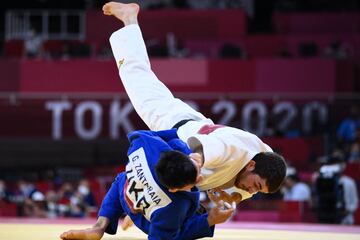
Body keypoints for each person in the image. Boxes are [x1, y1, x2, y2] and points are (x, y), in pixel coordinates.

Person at [106, 1, 286, 204]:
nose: (253, 190)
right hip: (171, 121)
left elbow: (254, 177)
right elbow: (205, 149)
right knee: (137, 77)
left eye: (258, 190)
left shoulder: (263, 160)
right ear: (251, 165)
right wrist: (197, 161)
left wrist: (230, 197)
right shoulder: (233, 148)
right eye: (257, 186)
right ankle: (130, 20)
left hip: (190, 125)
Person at [60, 129, 235, 240]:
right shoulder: (175, 206)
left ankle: (99, 227)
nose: (201, 178)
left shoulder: (146, 145)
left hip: (127, 196)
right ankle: (140, 214)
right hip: (148, 217)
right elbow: (164, 237)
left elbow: (155, 134)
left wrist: (182, 148)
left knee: (121, 178)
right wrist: (210, 219)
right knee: (184, 223)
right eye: (195, 180)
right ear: (173, 189)